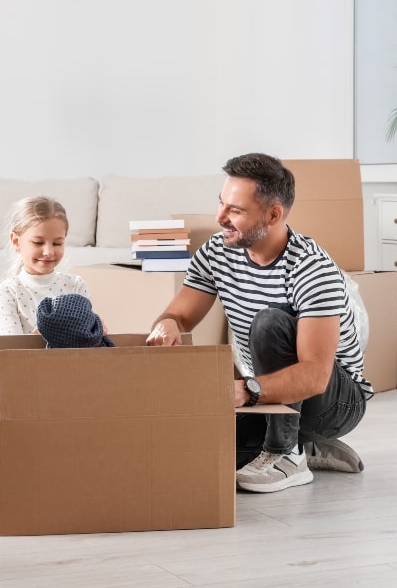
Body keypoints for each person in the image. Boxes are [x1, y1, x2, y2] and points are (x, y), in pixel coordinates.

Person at [147, 152, 371, 494]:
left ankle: (286, 453)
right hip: (270, 393)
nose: (220, 217)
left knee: (270, 322)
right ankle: (307, 444)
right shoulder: (217, 252)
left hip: (333, 401)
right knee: (198, 451)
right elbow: (179, 314)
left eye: (235, 211)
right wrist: (167, 325)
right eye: (221, 204)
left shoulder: (312, 268)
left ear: (274, 214)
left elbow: (315, 374)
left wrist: (248, 390)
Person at [0, 196, 91, 334]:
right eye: (38, 243)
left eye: (57, 243)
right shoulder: (7, 292)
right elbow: (12, 349)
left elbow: (85, 337)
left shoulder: (75, 285)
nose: (49, 252)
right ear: (16, 241)